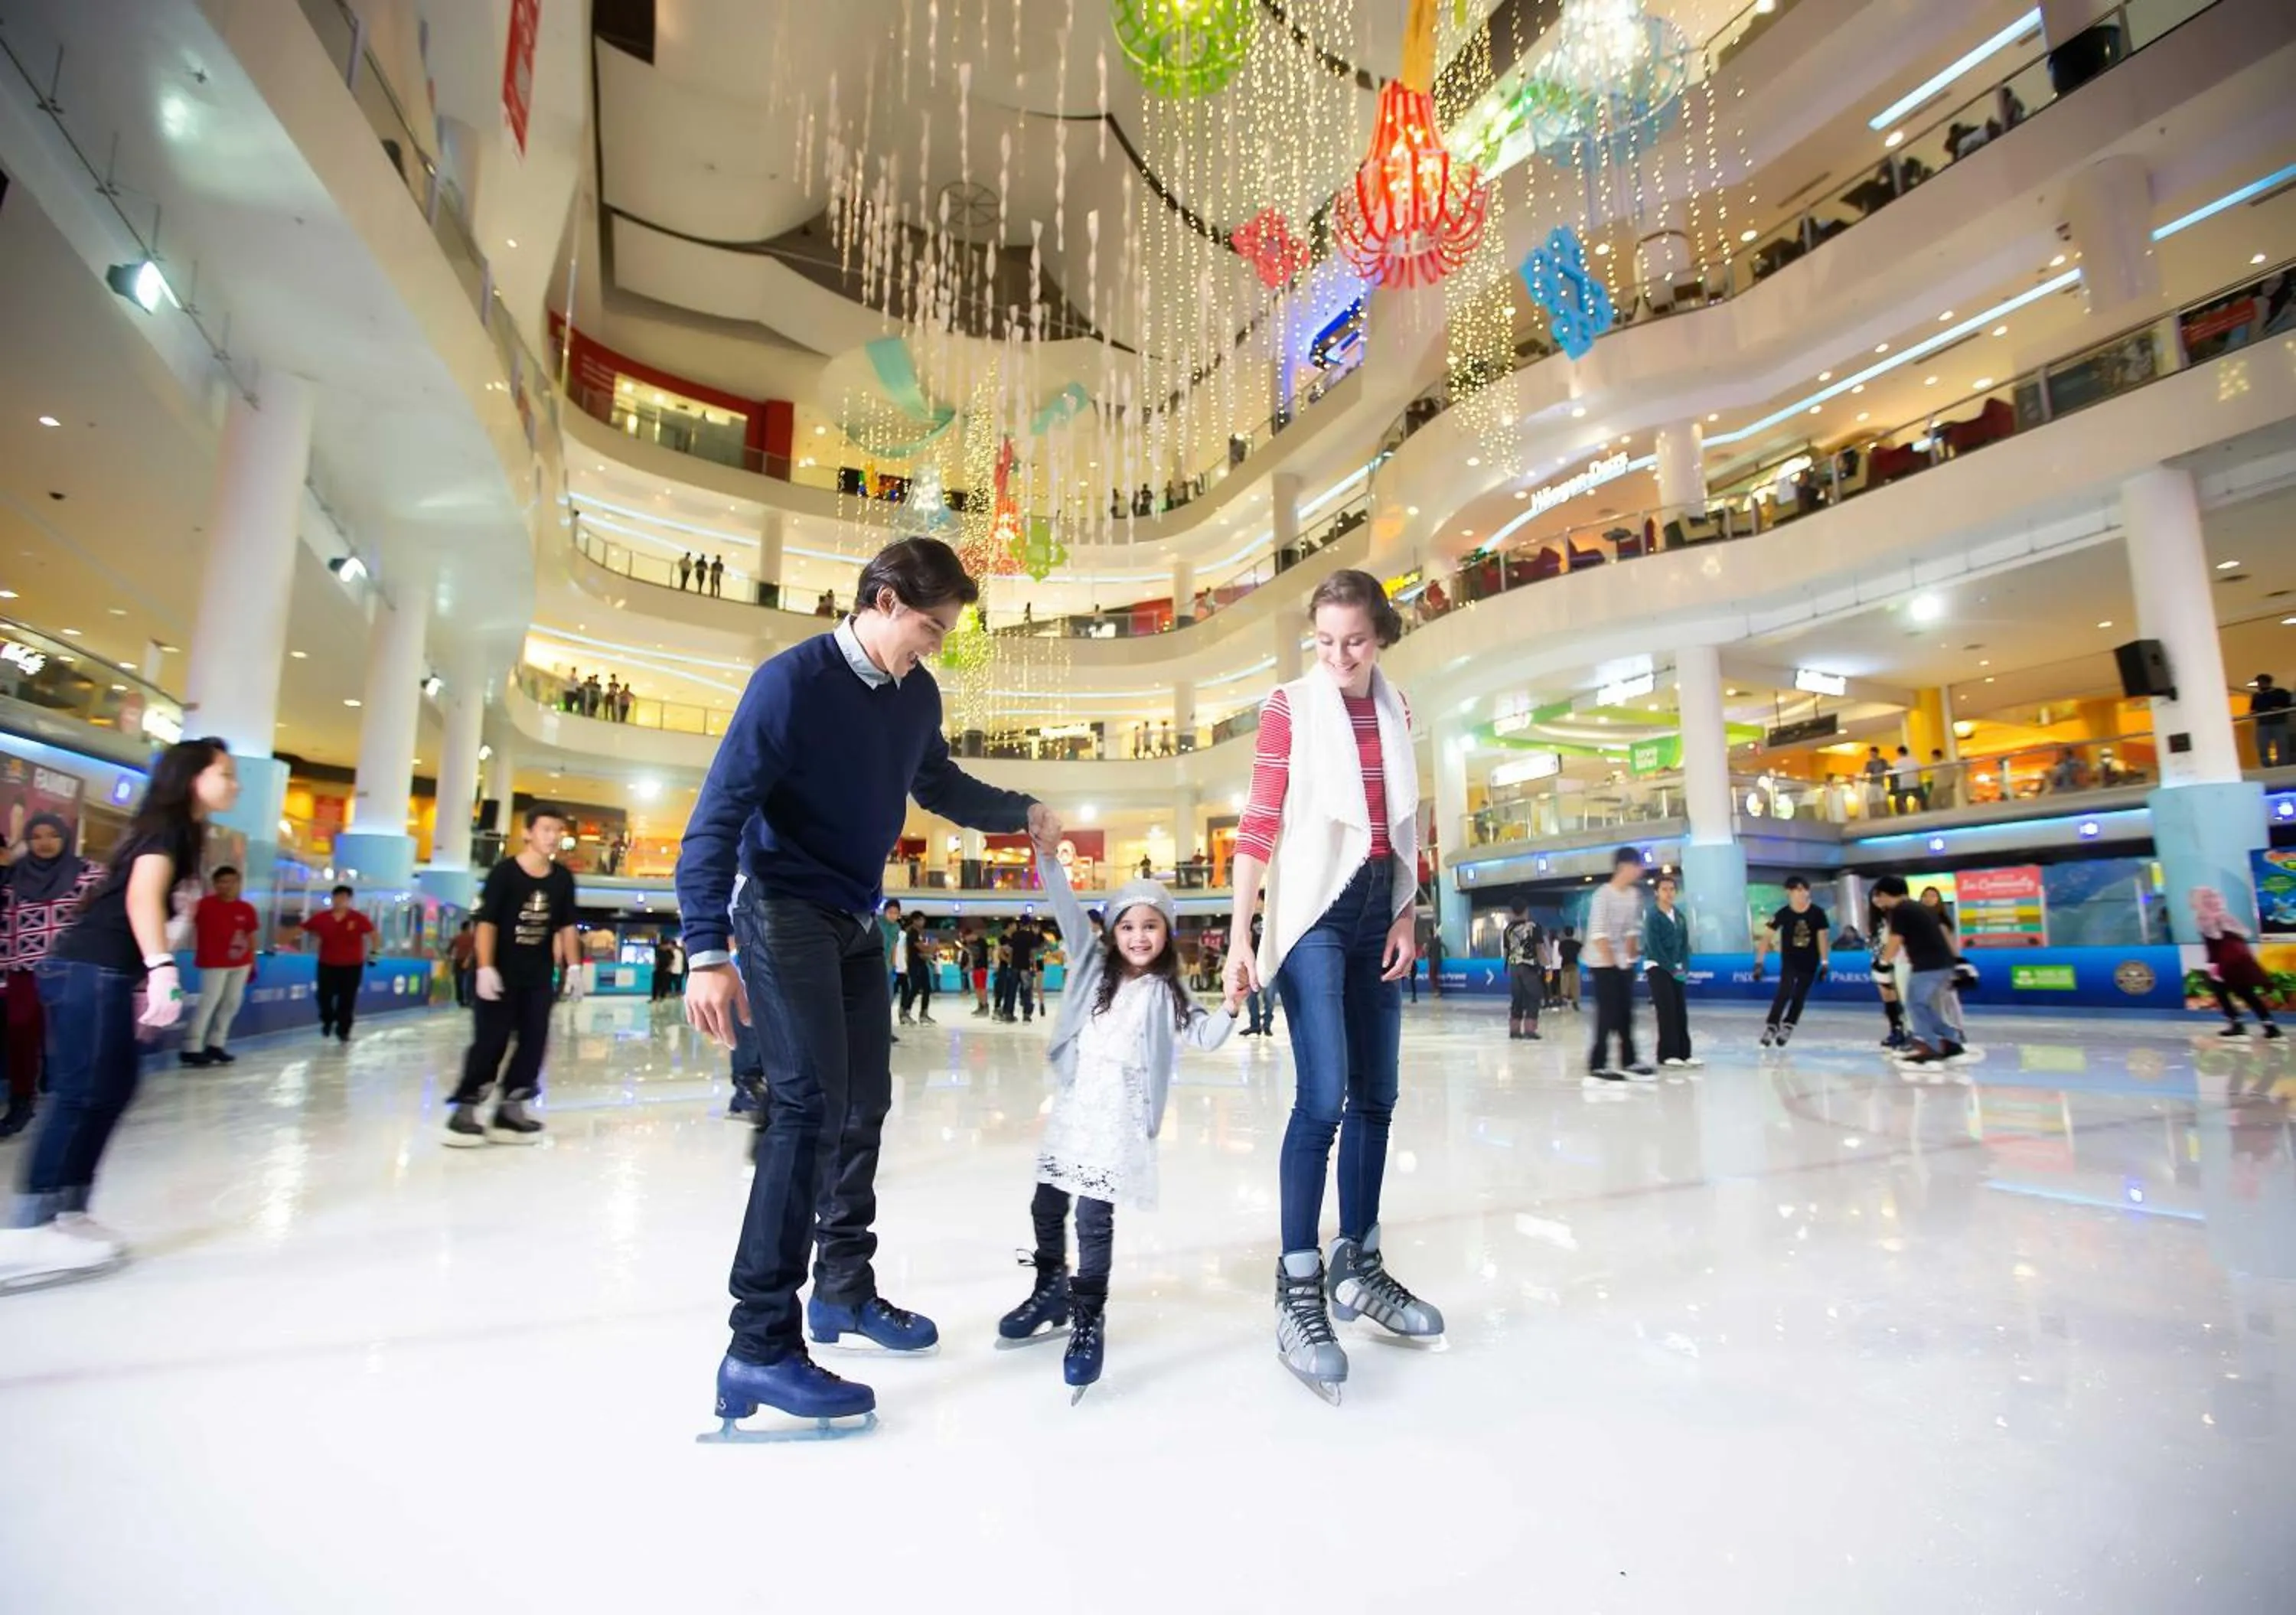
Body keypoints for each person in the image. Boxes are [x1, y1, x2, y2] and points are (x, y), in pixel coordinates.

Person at [678, 536, 1056, 1435]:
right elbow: (717, 813)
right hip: (783, 907)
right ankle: (758, 1342)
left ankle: (841, 1287)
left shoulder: (914, 695)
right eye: (928, 626)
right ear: (882, 600)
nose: (933, 644)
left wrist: (1020, 813)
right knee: (805, 1107)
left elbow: (938, 782)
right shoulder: (792, 683)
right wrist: (703, 947)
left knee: (864, 1106)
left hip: (855, 917)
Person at [1224, 569, 1440, 1405]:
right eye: (1326, 641)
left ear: (1379, 635)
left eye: (1354, 640)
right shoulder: (1290, 704)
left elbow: (1406, 823)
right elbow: (1260, 819)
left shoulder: (1399, 707)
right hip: (1314, 909)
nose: (1341, 656)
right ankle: (1298, 1282)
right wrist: (1243, 935)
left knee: (1378, 1096)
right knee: (1323, 1098)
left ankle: (1361, 1263)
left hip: (1376, 908)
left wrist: (1406, 912)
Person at [996, 846, 1238, 1398]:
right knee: (1046, 1203)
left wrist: (1229, 1006)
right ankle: (1050, 1288)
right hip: (1077, 1106)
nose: (1138, 937)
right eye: (1127, 926)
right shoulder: (1090, 966)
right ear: (1111, 931)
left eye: (1150, 927)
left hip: (1118, 1116)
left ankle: (1087, 1316)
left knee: (1092, 1218)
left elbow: (1203, 1036)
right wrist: (1048, 859)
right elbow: (1063, 905)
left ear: (1166, 934)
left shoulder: (1168, 990)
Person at [0, 737, 237, 1290]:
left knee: (112, 1089)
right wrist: (160, 967)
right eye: (225, 773)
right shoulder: (166, 827)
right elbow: (140, 897)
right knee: (82, 1094)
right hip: (90, 968)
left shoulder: (185, 831)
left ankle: (68, 1210)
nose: (234, 784)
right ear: (192, 777)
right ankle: (26, 1229)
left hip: (104, 972)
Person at [445, 807, 581, 1145]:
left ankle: (511, 1107)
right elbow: (487, 923)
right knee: (491, 1040)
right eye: (546, 829)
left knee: (534, 1041)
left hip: (537, 976)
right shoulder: (504, 874)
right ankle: (467, 1106)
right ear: (528, 833)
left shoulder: (562, 879)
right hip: (501, 973)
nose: (553, 836)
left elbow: (566, 926)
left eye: (558, 830)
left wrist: (574, 967)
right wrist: (486, 966)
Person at [0, 812, 105, 1137]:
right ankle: (22, 1101)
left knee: (73, 1033)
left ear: (65, 838)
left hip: (71, 967)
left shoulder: (89, 874)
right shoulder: (13, 877)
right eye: (38, 836)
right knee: (20, 1030)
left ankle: (78, 1099)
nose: (45, 843)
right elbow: (6, 925)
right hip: (23, 967)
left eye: (52, 836)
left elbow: (106, 918)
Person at [1873, 876, 1965, 1066]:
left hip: (1928, 965)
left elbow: (1895, 941)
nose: (1878, 900)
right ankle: (1951, 1038)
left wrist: (1883, 962)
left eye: (1879, 895)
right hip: (1940, 963)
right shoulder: (1918, 907)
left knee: (1914, 1004)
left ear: (1884, 894)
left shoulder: (1900, 910)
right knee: (1922, 1004)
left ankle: (1931, 1045)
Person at [1583, 847, 1653, 1085]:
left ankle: (1630, 1060)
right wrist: (1612, 967)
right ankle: (1598, 1063)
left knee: (1626, 1012)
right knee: (1607, 1013)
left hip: (1623, 963)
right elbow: (1599, 934)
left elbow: (1632, 931)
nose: (1640, 871)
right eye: (1637, 866)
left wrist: (1630, 961)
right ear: (1624, 867)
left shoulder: (1633, 895)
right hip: (1601, 962)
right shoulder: (1603, 895)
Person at [181, 866, 259, 1067]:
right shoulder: (204, 906)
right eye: (223, 882)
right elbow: (183, 924)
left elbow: (250, 935)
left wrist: (252, 962)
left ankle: (216, 1044)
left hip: (240, 962)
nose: (227, 886)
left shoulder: (246, 909)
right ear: (215, 884)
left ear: (238, 883)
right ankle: (192, 1047)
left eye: (232, 881)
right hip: (214, 962)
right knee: (209, 1002)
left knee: (231, 1003)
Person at [2189, 886, 2281, 1039]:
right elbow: (2245, 932)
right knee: (2243, 993)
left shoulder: (2205, 918)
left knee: (2225, 991)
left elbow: (2215, 937)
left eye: (2212, 897)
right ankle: (2268, 1025)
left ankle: (2239, 1024)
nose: (2211, 900)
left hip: (2226, 962)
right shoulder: (2224, 916)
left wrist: (2217, 924)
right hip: (2238, 960)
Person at [1753, 875, 1831, 1049]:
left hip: (1810, 961)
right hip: (1790, 960)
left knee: (1800, 995)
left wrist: (1825, 962)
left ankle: (1789, 1025)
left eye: (1803, 890)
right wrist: (1759, 962)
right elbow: (1766, 938)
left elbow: (1822, 938)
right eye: (1796, 890)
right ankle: (1772, 1026)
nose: (1801, 894)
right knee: (1784, 991)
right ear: (1789, 893)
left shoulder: (1818, 913)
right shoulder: (1783, 913)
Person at [302, 884, 378, 1043]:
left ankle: (343, 1029)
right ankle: (328, 1019)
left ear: (349, 900)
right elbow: (304, 928)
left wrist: (374, 954)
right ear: (333, 899)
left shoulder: (358, 918)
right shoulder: (322, 918)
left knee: (347, 998)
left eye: (344, 898)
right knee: (324, 996)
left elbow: (374, 935)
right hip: (327, 964)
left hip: (352, 966)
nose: (340, 901)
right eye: (338, 897)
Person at [1645, 872, 1699, 1069]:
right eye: (1664, 890)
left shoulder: (1680, 916)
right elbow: (1655, 947)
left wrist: (1683, 967)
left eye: (1672, 889)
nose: (1669, 893)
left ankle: (1685, 1053)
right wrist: (1671, 968)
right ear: (1656, 893)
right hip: (1657, 968)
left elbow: (1685, 945)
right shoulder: (1652, 916)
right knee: (1666, 1010)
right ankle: (1667, 1054)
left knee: (1680, 1010)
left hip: (1676, 969)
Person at [1502, 902, 1543, 1041]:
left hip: (1514, 967)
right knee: (1533, 997)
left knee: (1517, 999)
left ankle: (1514, 1030)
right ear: (1526, 910)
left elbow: (1506, 952)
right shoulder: (1534, 927)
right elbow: (1540, 950)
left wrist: (1508, 966)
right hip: (1529, 967)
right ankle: (1530, 1030)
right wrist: (1547, 966)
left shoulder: (1508, 929)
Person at [2252, 674, 2292, 767]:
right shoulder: (2257, 696)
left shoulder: (2280, 692)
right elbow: (2254, 709)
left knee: (2281, 745)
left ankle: (2283, 765)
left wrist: (2280, 709)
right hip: (2262, 724)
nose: (2259, 685)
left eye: (2260, 683)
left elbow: (2288, 704)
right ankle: (2267, 766)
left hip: (2278, 722)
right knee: (2263, 746)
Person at [448, 918, 478, 1007]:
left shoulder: (456, 937)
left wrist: (451, 957)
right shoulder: (473, 938)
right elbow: (474, 950)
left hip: (458, 961)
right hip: (469, 961)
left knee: (458, 982)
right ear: (468, 928)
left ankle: (460, 1001)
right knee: (469, 982)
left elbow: (449, 950)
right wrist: (468, 960)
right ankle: (469, 1000)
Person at [967, 927, 991, 1016]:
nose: (966, 940)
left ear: (971, 935)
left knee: (982, 987)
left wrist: (988, 960)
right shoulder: (970, 943)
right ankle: (980, 1005)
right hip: (975, 968)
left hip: (982, 967)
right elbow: (971, 954)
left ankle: (985, 1006)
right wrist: (970, 965)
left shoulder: (982, 941)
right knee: (977, 988)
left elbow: (989, 950)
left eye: (967, 937)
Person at [1558, 924, 1582, 1010]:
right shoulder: (1577, 944)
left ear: (1564, 933)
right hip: (1574, 965)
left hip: (1564, 965)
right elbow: (1580, 952)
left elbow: (1560, 954)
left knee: (1564, 984)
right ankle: (1575, 1003)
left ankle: (1564, 1001)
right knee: (1575, 985)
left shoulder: (1562, 944)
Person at [1861, 746, 1890, 816]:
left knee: (1882, 799)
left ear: (1877, 753)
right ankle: (1874, 815)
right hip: (1872, 783)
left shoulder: (1883, 761)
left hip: (1880, 783)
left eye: (1873, 753)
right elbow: (1865, 773)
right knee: (1872, 800)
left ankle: (1884, 815)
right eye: (1871, 753)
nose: (1872, 755)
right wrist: (1864, 777)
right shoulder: (1868, 763)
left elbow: (1888, 769)